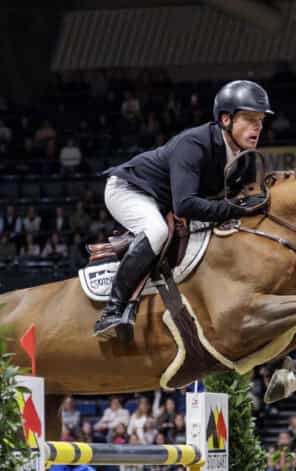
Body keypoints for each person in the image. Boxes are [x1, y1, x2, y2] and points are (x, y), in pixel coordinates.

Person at [93, 80, 274, 341]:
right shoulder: (194, 144)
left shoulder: (245, 160)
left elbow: (239, 204)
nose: (257, 127)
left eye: (260, 120)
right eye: (249, 119)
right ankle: (113, 311)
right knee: (155, 231)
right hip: (130, 189)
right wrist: (235, 209)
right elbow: (186, 204)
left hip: (164, 201)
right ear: (225, 119)